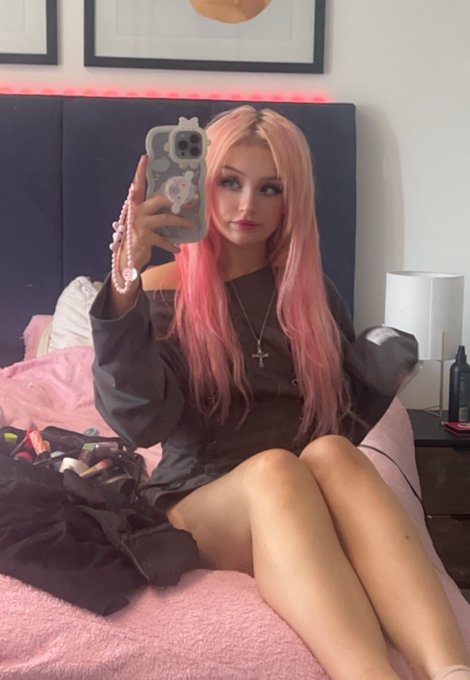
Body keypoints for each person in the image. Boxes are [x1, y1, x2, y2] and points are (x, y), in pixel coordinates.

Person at [90, 106, 470, 680]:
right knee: (276, 469)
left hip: (300, 485)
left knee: (331, 454)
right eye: (230, 182)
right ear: (202, 183)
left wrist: (373, 379)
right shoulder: (160, 293)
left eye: (270, 188)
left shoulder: (311, 295)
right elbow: (140, 422)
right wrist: (124, 280)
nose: (247, 205)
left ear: (292, 200)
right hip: (199, 499)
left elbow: (329, 430)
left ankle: (451, 670)